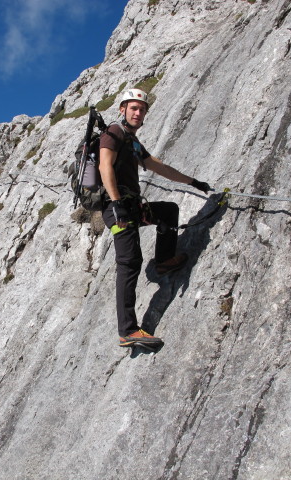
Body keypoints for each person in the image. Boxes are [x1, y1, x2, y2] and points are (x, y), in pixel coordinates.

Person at [98, 88, 211, 348]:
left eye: (142, 109)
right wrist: (116, 204)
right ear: (122, 109)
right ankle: (128, 330)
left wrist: (193, 182)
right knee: (129, 262)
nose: (138, 112)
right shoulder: (114, 132)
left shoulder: (132, 142)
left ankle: (163, 262)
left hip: (131, 206)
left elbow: (159, 166)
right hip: (116, 210)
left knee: (168, 211)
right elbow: (105, 166)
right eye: (133, 108)